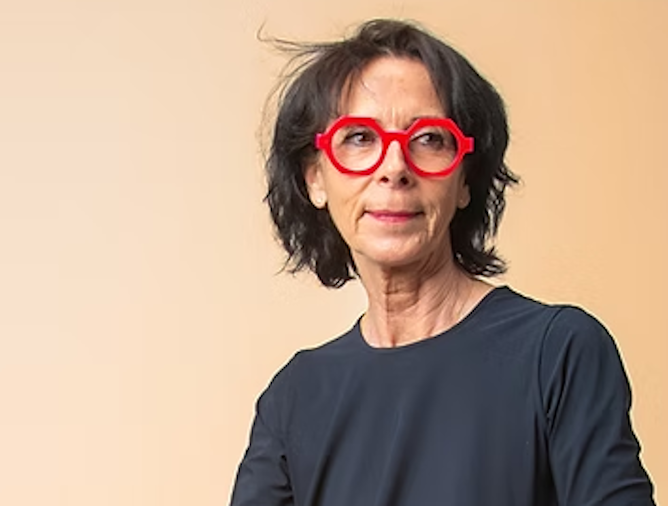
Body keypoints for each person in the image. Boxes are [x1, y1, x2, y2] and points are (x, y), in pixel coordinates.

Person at [229, 19, 656, 506]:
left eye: (430, 139)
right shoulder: (294, 398)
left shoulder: (558, 353)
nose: (394, 168)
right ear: (316, 180)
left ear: (465, 180)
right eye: (358, 139)